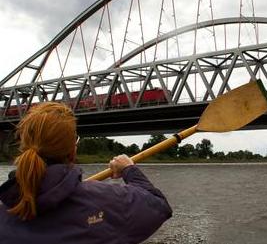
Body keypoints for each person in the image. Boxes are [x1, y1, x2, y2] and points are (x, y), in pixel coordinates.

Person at [0, 102, 172, 244]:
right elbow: (158, 205)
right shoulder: (108, 203)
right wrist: (129, 168)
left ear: (23, 148)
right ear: (72, 150)